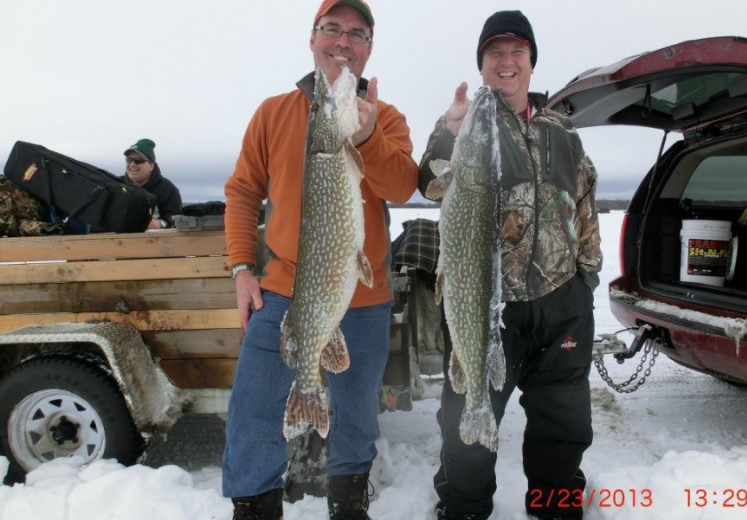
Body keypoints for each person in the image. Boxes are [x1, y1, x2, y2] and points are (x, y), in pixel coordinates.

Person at [221, 0, 418, 518]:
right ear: (312, 38)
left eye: (357, 34)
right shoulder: (273, 113)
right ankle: (253, 506)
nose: (343, 42)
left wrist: (369, 136)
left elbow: (401, 186)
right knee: (252, 411)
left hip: (364, 296)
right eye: (332, 29)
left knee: (357, 417)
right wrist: (242, 267)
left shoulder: (386, 116)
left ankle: (348, 503)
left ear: (368, 48)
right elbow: (242, 192)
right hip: (282, 287)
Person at [418, 10, 602, 520]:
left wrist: (587, 276)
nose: (506, 61)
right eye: (494, 52)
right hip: (486, 302)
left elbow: (585, 203)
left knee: (562, 430)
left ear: (531, 63)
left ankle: (556, 510)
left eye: (516, 51)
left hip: (561, 304)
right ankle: (464, 509)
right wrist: (447, 130)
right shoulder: (472, 125)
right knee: (465, 429)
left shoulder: (563, 132)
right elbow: (430, 179)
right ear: (482, 66)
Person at [122, 138, 182, 229]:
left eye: (138, 161)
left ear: (151, 166)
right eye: (129, 159)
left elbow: (176, 217)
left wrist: (160, 223)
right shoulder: (116, 185)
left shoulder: (168, 189)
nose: (132, 164)